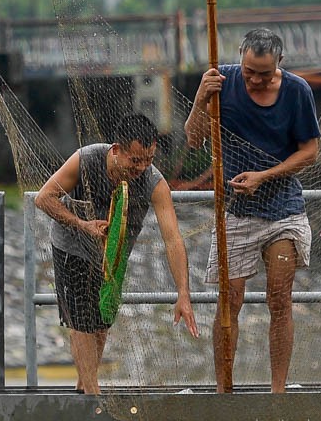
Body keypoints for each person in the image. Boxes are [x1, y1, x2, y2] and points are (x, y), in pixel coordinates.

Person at [183, 28, 321, 393]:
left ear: (280, 64)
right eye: (249, 72)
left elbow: (309, 151)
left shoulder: (297, 91)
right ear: (240, 59)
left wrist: (265, 175)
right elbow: (194, 139)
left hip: (283, 211)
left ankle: (278, 391)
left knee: (279, 296)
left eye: (265, 72)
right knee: (230, 300)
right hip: (236, 211)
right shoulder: (221, 82)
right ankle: (223, 390)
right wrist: (201, 97)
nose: (256, 80)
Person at [35, 112, 199, 394]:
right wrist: (81, 224)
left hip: (112, 256)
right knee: (82, 322)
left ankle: (83, 386)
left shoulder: (153, 182)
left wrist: (183, 293)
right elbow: (44, 198)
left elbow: (172, 238)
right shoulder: (86, 159)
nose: (141, 167)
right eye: (135, 160)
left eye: (148, 159)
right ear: (116, 150)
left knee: (100, 323)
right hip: (71, 245)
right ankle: (94, 396)